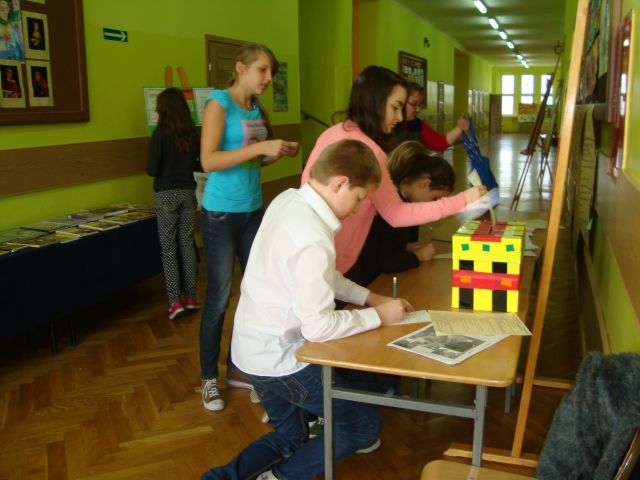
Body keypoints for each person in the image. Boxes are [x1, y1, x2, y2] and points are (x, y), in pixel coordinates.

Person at [201, 139, 413, 480]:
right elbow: (318, 327)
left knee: (290, 436)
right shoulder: (313, 237)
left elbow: (322, 275)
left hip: (250, 350)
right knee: (362, 425)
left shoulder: (289, 199)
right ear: (340, 183)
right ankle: (281, 477)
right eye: (360, 197)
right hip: (280, 359)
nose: (358, 208)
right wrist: (379, 316)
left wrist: (370, 298)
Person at [301, 66, 486, 280]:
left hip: (312, 251)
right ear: (374, 101)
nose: (399, 117)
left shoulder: (332, 132)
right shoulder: (368, 151)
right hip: (335, 258)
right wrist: (461, 200)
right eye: (395, 107)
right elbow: (396, 214)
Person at [199, 43, 300, 411]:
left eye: (271, 72)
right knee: (219, 298)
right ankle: (208, 379)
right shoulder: (218, 104)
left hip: (253, 210)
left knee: (257, 294)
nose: (268, 78)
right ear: (240, 68)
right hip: (221, 215)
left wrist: (274, 153)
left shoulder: (255, 109)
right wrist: (260, 148)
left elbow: (250, 162)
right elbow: (209, 160)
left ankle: (242, 371)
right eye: (262, 70)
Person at [347, 141, 456, 287]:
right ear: (424, 183)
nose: (434, 206)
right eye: (435, 199)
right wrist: (418, 256)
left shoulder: (400, 196)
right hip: (364, 280)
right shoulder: (400, 210)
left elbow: (385, 244)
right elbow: (389, 263)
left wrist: (405, 247)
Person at [146, 87, 201, 320]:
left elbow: (152, 169)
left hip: (166, 195)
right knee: (187, 244)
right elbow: (199, 163)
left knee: (168, 248)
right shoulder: (192, 133)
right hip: (188, 192)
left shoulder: (159, 134)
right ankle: (191, 297)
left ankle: (174, 301)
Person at [394, 82, 469, 151]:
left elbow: (439, 143)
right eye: (414, 104)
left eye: (420, 104)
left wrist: (460, 128)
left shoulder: (417, 124)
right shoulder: (390, 124)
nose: (418, 109)